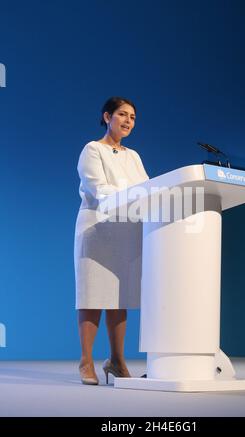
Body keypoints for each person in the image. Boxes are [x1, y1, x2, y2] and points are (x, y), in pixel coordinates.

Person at [74, 96, 149, 385]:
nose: (128, 120)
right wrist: (133, 199)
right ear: (107, 117)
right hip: (97, 231)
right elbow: (98, 188)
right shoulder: (93, 149)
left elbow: (148, 188)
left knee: (121, 297)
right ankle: (86, 362)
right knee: (92, 297)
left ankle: (117, 361)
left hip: (126, 232)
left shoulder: (134, 156)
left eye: (133, 116)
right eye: (122, 114)